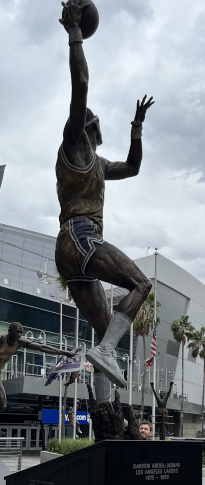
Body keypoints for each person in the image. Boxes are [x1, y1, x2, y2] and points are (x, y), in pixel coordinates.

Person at [55, 1, 155, 392]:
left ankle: (108, 412)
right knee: (141, 285)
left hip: (69, 250)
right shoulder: (75, 147)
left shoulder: (97, 163)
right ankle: (108, 352)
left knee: (102, 333)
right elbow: (80, 84)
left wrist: (137, 128)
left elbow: (132, 167)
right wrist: (75, 33)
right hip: (81, 236)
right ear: (90, 127)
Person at [0, 322, 73, 411]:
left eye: (21, 332)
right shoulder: (1, 340)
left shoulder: (19, 342)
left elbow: (42, 347)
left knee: (3, 406)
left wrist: (65, 353)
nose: (19, 335)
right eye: (17, 332)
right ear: (9, 331)